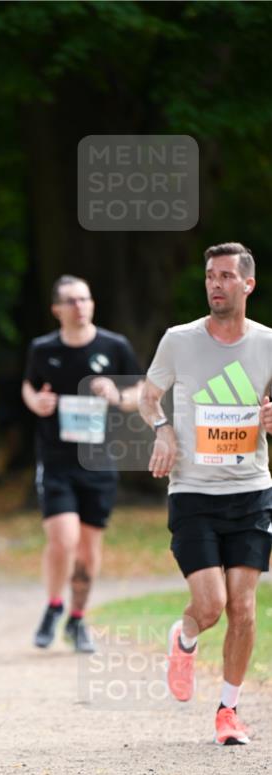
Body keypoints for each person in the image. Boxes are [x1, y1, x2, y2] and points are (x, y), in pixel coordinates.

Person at [141, 242, 272, 746]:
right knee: (212, 604)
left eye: (226, 276)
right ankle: (186, 636)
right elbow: (149, 396)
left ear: (248, 284)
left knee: (244, 607)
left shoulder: (266, 343)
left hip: (251, 490)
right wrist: (162, 430)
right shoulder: (179, 340)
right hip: (193, 491)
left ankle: (228, 712)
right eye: (210, 277)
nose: (215, 284)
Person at [22, 275, 143, 653]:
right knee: (64, 539)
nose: (80, 306)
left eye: (85, 299)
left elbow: (141, 392)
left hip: (99, 462)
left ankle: (77, 618)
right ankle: (53, 605)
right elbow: (29, 386)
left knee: (88, 549)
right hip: (56, 460)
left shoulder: (114, 346)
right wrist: (36, 402)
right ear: (56, 309)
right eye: (71, 301)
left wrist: (117, 394)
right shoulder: (43, 348)